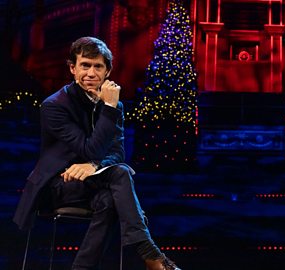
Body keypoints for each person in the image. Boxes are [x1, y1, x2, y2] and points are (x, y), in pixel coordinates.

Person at [13, 36, 180, 270]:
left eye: (97, 66)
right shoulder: (54, 105)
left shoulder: (115, 104)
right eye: (85, 65)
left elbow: (118, 153)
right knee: (120, 174)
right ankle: (152, 257)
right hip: (59, 183)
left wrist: (93, 165)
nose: (91, 73)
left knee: (113, 196)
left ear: (107, 71)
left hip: (97, 183)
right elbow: (88, 149)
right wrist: (108, 110)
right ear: (72, 68)